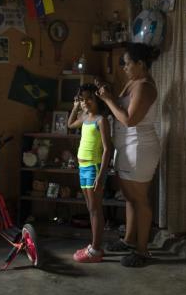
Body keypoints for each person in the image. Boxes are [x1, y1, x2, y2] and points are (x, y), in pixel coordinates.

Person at [96, 42, 161, 267]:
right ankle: (128, 240)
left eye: (127, 63)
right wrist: (107, 94)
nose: (123, 67)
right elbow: (120, 110)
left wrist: (108, 100)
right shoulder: (133, 83)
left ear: (140, 64)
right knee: (130, 197)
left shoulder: (145, 87)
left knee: (140, 199)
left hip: (140, 147)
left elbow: (129, 119)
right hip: (126, 146)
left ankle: (143, 251)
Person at [68, 83, 113, 262]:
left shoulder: (100, 120)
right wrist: (75, 107)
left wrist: (101, 175)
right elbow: (71, 124)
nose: (85, 102)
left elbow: (108, 149)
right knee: (90, 208)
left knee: (95, 209)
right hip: (82, 168)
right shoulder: (85, 117)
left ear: (96, 99)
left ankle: (95, 249)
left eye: (89, 98)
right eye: (82, 99)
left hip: (94, 168)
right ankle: (95, 246)